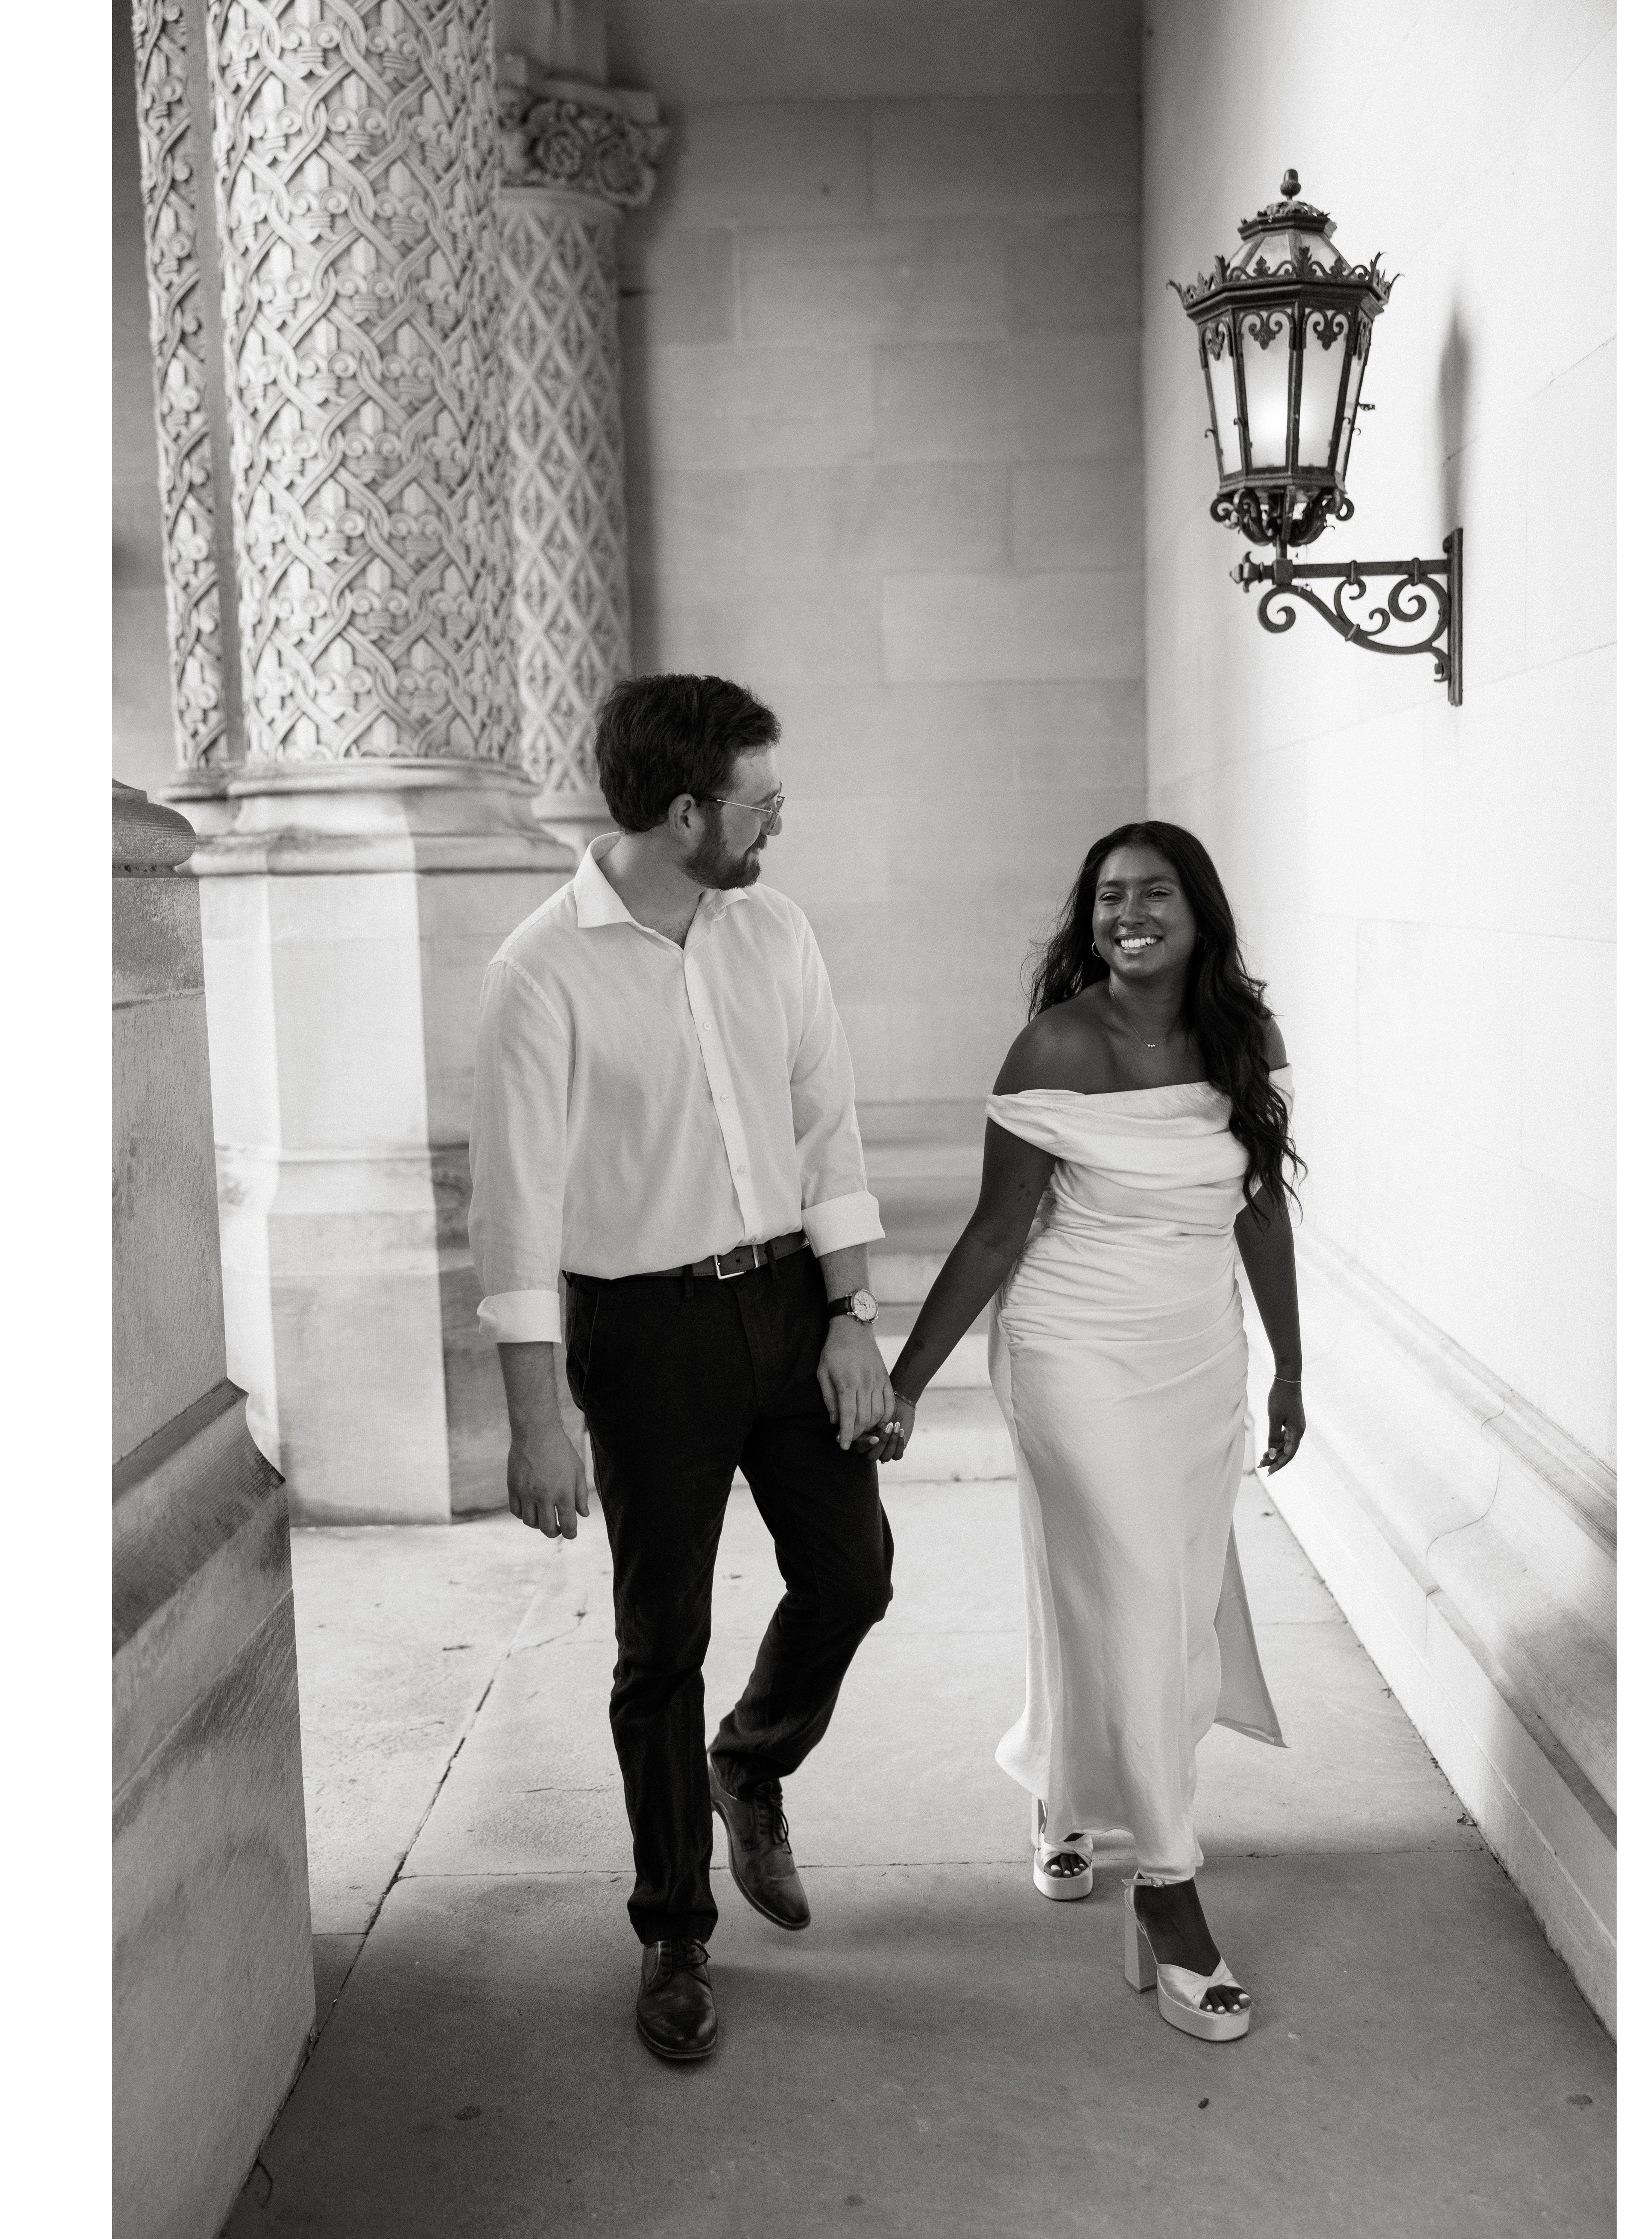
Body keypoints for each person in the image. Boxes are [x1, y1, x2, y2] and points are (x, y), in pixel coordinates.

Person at [468, 672, 898, 2064]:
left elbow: (827, 1125)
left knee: (853, 1574)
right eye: (759, 803)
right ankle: (674, 1932)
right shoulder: (540, 970)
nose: (780, 824)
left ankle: (750, 1763)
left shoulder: (774, 930)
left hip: (790, 1305)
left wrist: (853, 1314)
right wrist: (538, 1421)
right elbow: (515, 1210)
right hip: (643, 1333)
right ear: (682, 813)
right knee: (663, 1644)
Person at [876, 820, 1305, 2045]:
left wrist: (1290, 1367)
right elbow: (995, 1231)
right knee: (1134, 1590)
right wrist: (909, 1383)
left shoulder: (1247, 1039)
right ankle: (1168, 1887)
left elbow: (1259, 1209)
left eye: (1154, 892)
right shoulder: (1057, 1045)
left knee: (1149, 1599)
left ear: (1199, 910)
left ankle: (1064, 1795)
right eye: (1110, 896)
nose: (1130, 914)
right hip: (1072, 1348)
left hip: (1197, 1355)